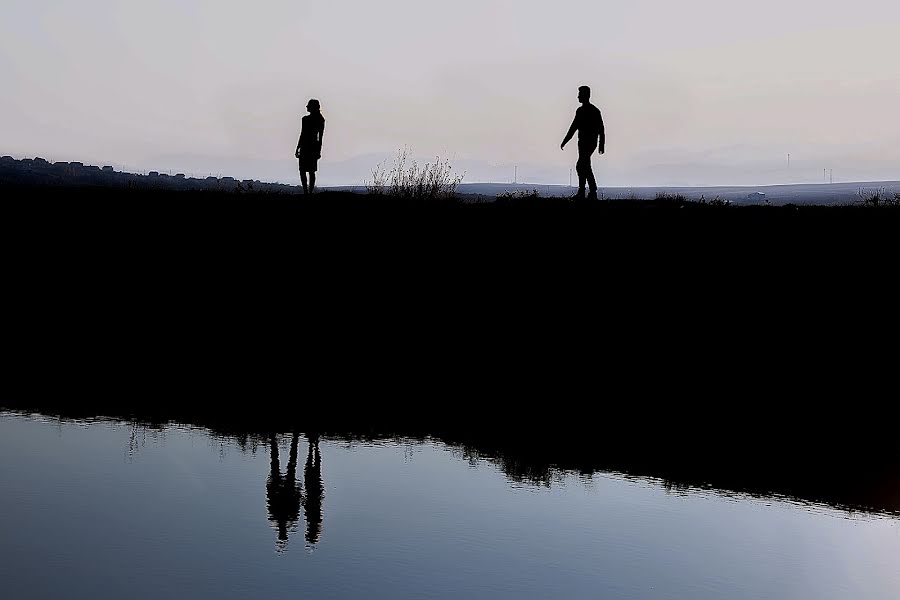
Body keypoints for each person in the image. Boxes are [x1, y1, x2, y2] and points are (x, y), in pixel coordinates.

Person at [561, 86, 605, 200]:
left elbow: (601, 129)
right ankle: (589, 192)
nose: (578, 96)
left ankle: (588, 191)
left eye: (580, 94)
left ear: (586, 95)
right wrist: (565, 141)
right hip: (581, 142)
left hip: (590, 143)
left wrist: (601, 145)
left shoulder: (594, 111)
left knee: (581, 165)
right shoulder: (580, 111)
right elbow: (573, 127)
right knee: (584, 165)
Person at [295, 99, 326, 194]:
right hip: (311, 147)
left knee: (307, 170)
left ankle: (307, 191)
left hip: (309, 147)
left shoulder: (316, 120)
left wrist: (298, 147)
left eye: (308, 105)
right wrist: (298, 147)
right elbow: (318, 138)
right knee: (307, 170)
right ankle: (308, 192)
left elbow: (318, 137)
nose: (306, 107)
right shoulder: (315, 120)